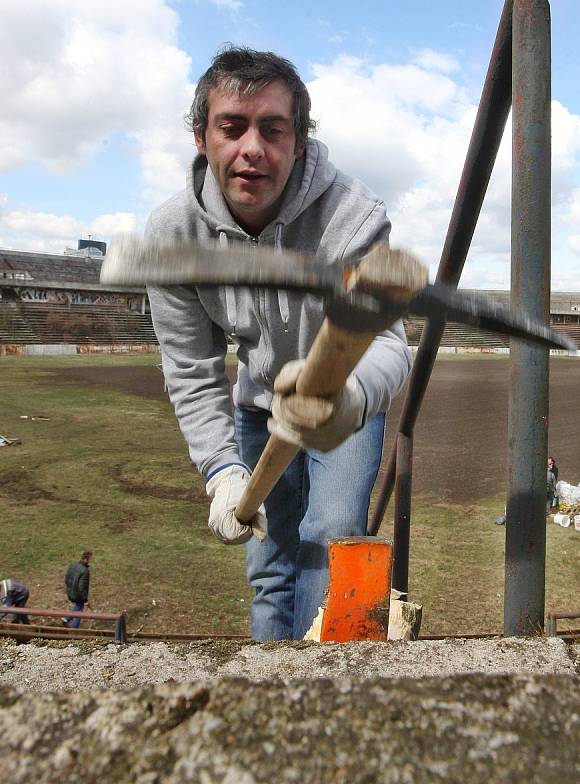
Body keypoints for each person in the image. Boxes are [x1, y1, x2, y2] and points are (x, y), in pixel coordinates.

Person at [146, 46, 412, 641]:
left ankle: (314, 691)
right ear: (201, 136)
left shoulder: (352, 214)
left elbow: (389, 342)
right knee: (269, 564)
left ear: (298, 142)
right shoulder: (172, 235)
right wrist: (221, 471)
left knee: (329, 536)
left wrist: (345, 400)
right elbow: (191, 366)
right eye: (231, 127)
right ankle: (268, 691)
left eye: (273, 129)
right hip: (259, 403)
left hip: (339, 401)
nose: (252, 148)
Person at [63, 551, 92, 628]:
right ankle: (74, 628)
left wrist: (69, 590)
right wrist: (85, 600)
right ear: (86, 559)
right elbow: (81, 588)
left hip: (70, 592)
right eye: (90, 559)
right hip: (78, 595)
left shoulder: (73, 565)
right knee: (79, 610)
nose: (90, 561)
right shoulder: (85, 571)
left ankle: (66, 618)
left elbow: (66, 579)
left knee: (78, 606)